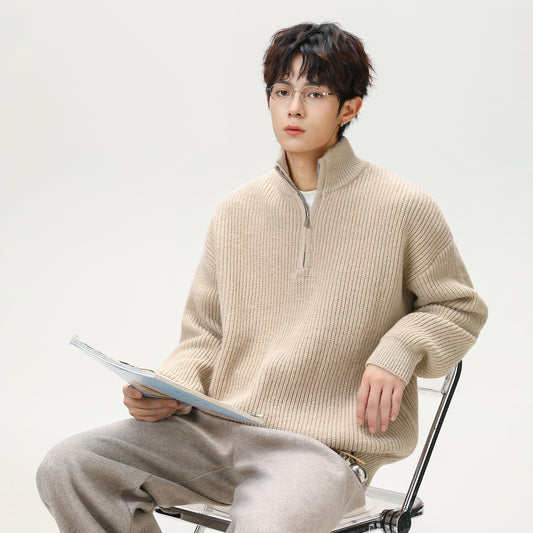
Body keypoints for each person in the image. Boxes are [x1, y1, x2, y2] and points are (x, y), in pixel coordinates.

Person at [37, 22, 488, 533]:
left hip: (322, 453)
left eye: (314, 94)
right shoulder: (237, 210)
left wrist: (399, 349)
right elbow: (205, 334)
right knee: (71, 467)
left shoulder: (403, 207)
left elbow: (458, 307)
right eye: (281, 91)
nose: (293, 109)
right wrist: (170, 389)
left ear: (349, 108)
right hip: (214, 433)